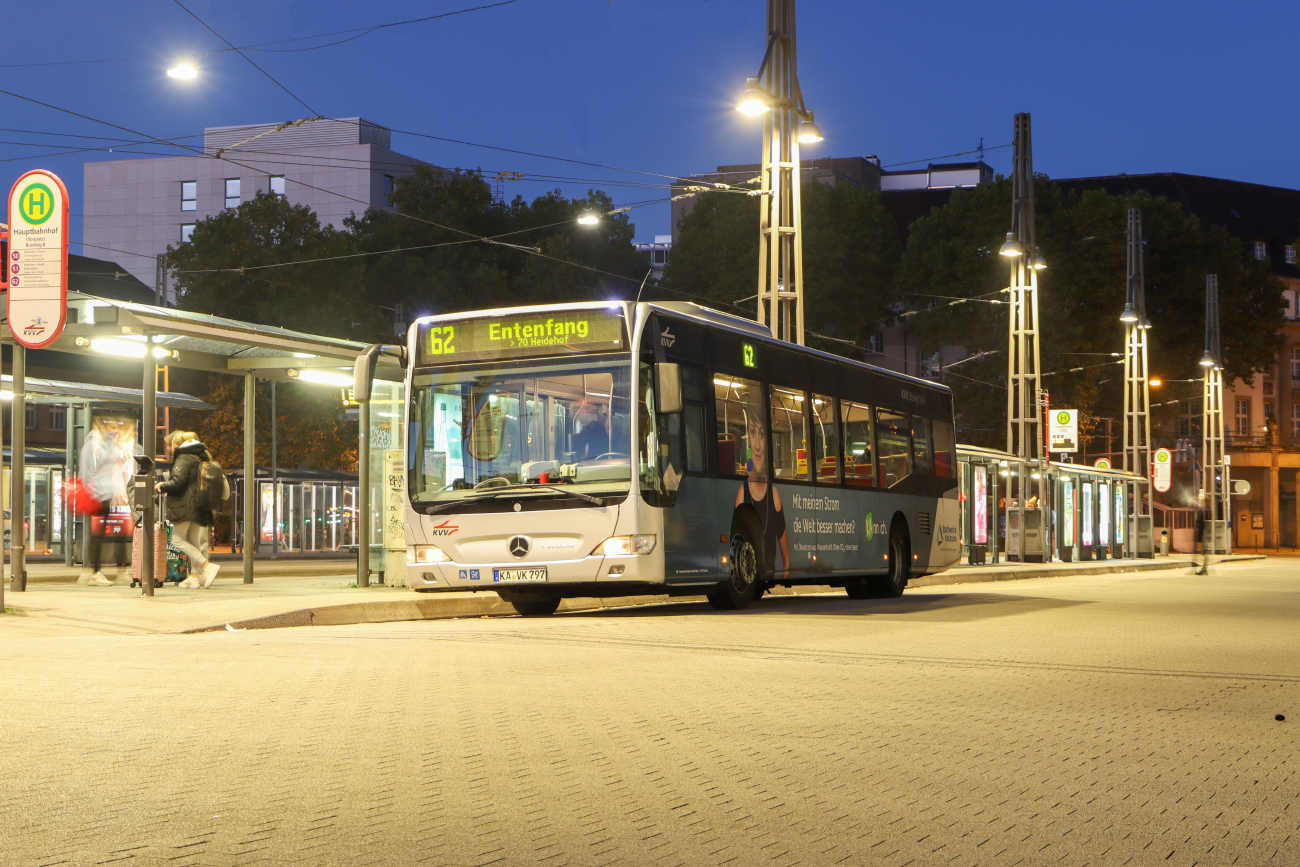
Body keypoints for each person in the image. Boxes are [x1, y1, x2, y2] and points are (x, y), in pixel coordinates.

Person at [732, 402, 790, 582]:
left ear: (767, 442)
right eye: (752, 432)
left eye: (762, 434)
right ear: (748, 437)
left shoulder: (774, 495)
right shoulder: (742, 494)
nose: (757, 445)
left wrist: (785, 575)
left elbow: (787, 562)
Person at [157, 431, 221, 589]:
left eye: (170, 444)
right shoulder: (199, 457)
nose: (169, 448)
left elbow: (178, 482)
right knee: (194, 541)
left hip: (185, 506)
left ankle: (207, 566)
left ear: (176, 444)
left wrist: (162, 485)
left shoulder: (184, 458)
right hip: (198, 506)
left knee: (177, 540)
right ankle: (194, 577)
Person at [78, 415, 133, 586]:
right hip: (97, 495)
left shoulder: (106, 444)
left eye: (117, 427)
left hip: (106, 494)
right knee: (100, 537)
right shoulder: (92, 445)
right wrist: (93, 494)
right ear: (102, 427)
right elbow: (89, 470)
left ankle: (93, 572)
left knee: (104, 536)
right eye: (112, 427)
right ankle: (95, 572)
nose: (115, 430)